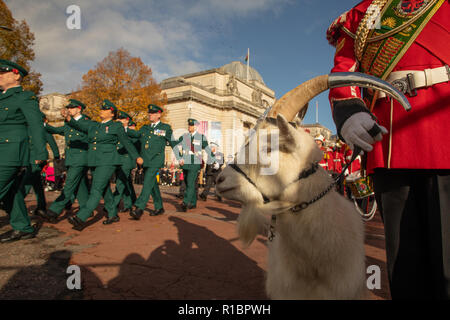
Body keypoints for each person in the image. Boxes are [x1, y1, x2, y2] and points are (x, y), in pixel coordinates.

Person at [327, 0, 450, 299]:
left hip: (445, 128)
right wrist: (350, 110)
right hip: (390, 140)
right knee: (405, 264)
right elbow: (345, 71)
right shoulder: (364, 13)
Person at [62, 99, 143, 229]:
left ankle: (81, 217)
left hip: (108, 161)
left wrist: (137, 157)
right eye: (101, 109)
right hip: (95, 161)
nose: (101, 111)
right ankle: (112, 214)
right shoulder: (96, 125)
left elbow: (126, 142)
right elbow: (81, 126)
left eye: (104, 109)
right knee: (105, 189)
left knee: (96, 189)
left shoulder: (116, 126)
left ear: (112, 113)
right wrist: (68, 118)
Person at [0, 59, 48, 242]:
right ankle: (23, 227)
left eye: (2, 73)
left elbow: (36, 126)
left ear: (16, 75)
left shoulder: (25, 97)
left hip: (10, 153)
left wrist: (40, 154)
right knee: (12, 193)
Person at [37, 99, 90, 223]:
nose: (69, 110)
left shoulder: (86, 122)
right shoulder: (68, 124)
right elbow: (57, 130)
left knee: (69, 185)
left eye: (72, 108)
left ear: (79, 109)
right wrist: (42, 123)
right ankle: (86, 208)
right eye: (68, 108)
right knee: (80, 185)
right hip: (71, 159)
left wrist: (68, 119)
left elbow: (81, 129)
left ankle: (53, 211)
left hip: (80, 158)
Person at [128, 104, 177, 219]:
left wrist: (181, 156)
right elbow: (135, 134)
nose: (150, 114)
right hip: (145, 160)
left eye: (153, 113)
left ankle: (139, 208)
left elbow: (173, 142)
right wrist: (123, 128)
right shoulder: (145, 128)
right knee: (152, 184)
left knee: (147, 181)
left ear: (159, 114)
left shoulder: (165, 128)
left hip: (156, 160)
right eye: (149, 113)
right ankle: (159, 207)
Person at [24, 113, 60, 217]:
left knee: (26, 183)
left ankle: (15, 205)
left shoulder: (41, 129)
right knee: (37, 185)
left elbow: (52, 143)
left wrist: (56, 156)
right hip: (30, 159)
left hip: (37, 160)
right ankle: (41, 207)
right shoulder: (29, 128)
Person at [175, 118, 215, 212]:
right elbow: (175, 143)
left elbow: (206, 148)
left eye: (191, 125)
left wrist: (213, 157)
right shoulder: (184, 136)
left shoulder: (201, 137)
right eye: (189, 125)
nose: (189, 127)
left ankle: (185, 202)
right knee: (189, 182)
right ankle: (193, 203)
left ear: (195, 126)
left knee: (190, 181)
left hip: (195, 163)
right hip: (185, 163)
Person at [109, 111, 137, 221]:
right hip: (117, 159)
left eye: (121, 119)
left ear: (126, 121)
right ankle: (128, 204)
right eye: (118, 119)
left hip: (126, 160)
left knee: (120, 184)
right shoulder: (116, 130)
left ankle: (113, 205)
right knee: (125, 183)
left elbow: (133, 143)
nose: (118, 121)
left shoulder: (130, 132)